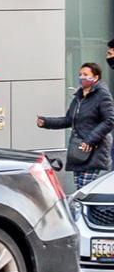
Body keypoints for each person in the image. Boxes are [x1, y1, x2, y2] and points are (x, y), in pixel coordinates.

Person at [37, 61, 114, 189]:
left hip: (94, 152)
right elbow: (69, 120)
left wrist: (90, 140)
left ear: (95, 77)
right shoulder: (79, 97)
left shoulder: (102, 95)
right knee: (79, 190)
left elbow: (109, 120)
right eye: (80, 74)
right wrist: (46, 122)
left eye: (86, 74)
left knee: (85, 190)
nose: (82, 77)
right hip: (79, 151)